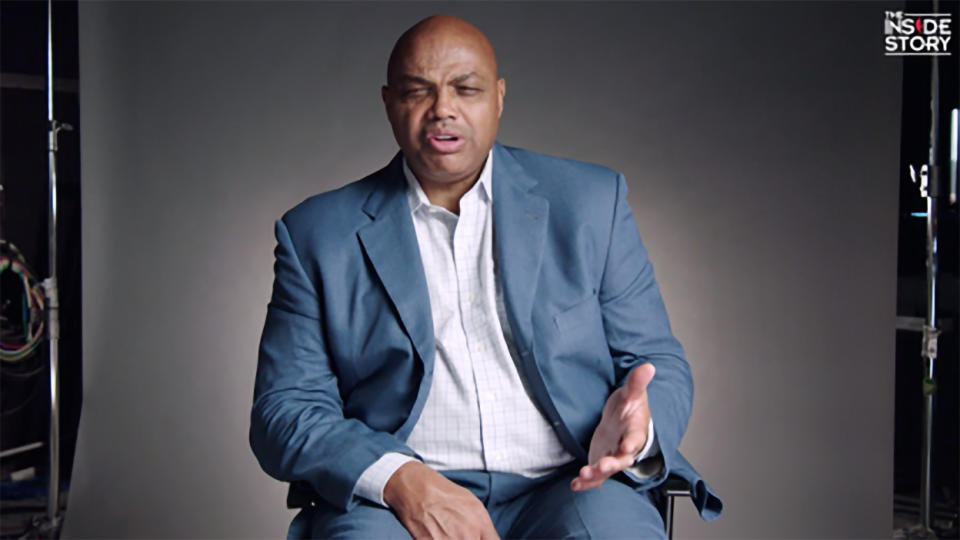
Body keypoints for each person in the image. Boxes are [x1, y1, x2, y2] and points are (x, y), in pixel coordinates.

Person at [250, 14, 720, 539]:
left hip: (572, 485)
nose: (442, 109)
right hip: (401, 499)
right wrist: (399, 479)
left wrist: (640, 427)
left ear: (498, 97)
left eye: (465, 89)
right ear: (388, 103)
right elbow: (284, 409)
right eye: (417, 91)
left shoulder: (590, 202)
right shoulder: (317, 233)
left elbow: (655, 362)